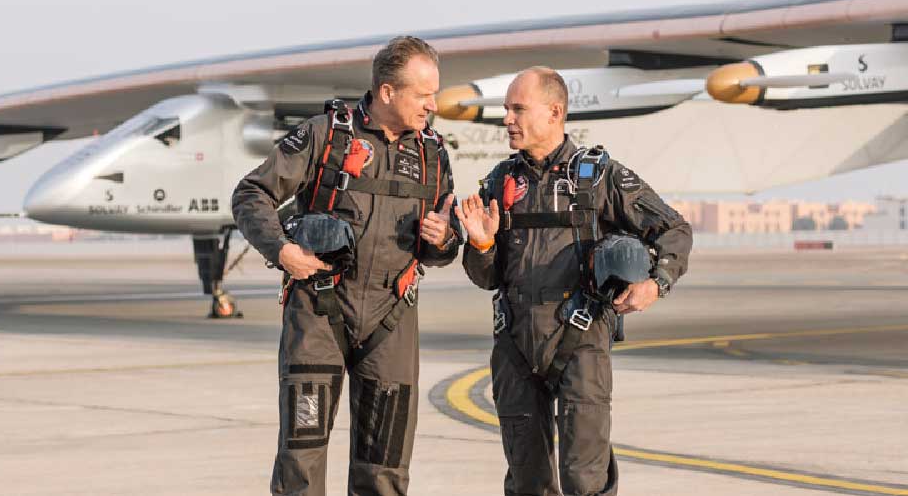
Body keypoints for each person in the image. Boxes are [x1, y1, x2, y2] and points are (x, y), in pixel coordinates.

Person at [232, 36, 460, 496]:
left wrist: (444, 239)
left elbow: (443, 244)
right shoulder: (325, 135)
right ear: (387, 91)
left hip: (392, 318)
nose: (433, 106)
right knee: (301, 460)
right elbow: (251, 193)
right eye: (423, 95)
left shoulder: (432, 154)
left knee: (385, 466)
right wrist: (282, 251)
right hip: (319, 312)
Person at [456, 66, 692, 496]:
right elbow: (486, 277)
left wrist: (656, 284)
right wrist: (482, 244)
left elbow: (674, 230)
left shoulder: (600, 177)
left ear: (554, 112)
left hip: (580, 340)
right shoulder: (499, 182)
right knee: (527, 480)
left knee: (585, 479)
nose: (507, 119)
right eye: (507, 109)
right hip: (514, 341)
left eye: (518, 109)